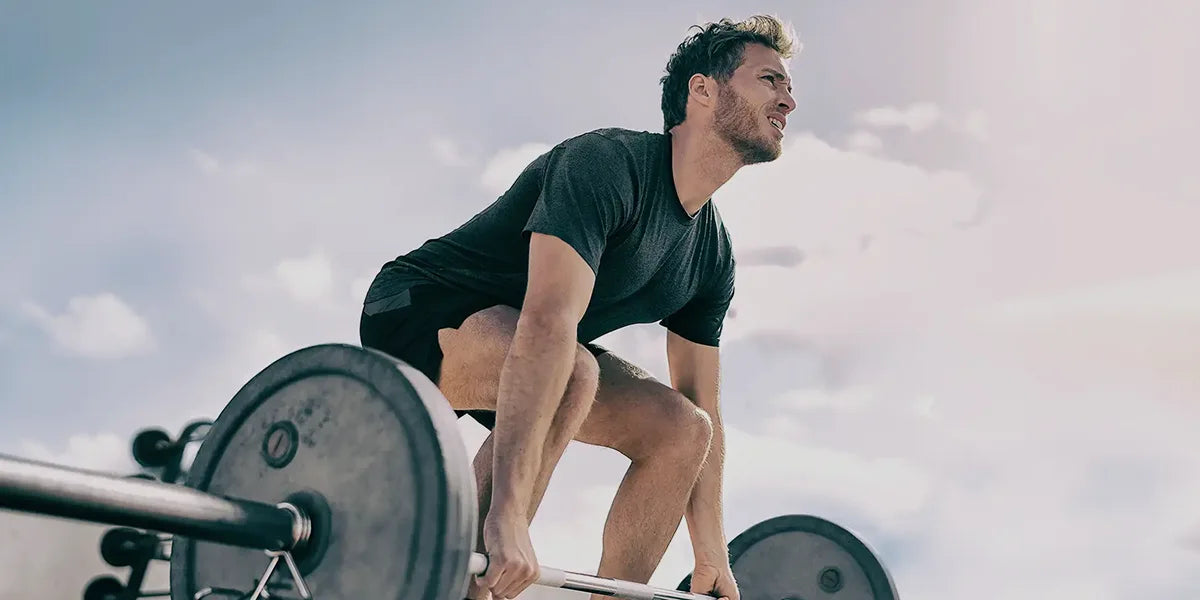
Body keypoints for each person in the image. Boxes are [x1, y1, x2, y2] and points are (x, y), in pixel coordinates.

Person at [359, 14, 797, 600]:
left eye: (788, 86)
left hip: (535, 351)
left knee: (682, 429)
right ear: (703, 90)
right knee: (570, 368)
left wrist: (711, 550)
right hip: (416, 310)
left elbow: (703, 405)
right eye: (770, 80)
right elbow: (548, 320)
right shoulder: (607, 163)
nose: (788, 101)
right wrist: (507, 516)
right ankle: (463, 584)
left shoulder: (711, 254)